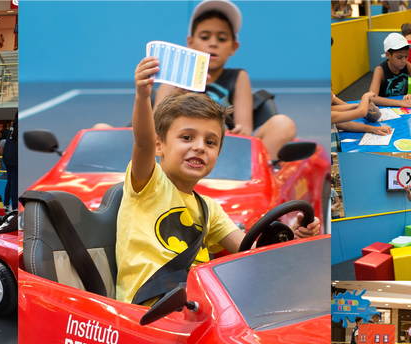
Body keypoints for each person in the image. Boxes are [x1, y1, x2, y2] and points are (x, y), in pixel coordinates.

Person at [117, 56, 320, 304]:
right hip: (146, 311)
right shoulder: (149, 183)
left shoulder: (210, 210)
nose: (200, 147)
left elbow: (254, 254)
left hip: (195, 311)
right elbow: (142, 141)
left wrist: (297, 241)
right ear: (160, 145)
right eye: (187, 137)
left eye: (210, 142)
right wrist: (142, 96)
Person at [155, 0, 301, 158]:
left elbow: (245, 131)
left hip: (226, 152)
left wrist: (239, 131)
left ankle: (259, 179)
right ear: (190, 43)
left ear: (233, 47)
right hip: (181, 151)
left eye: (222, 39)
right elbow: (154, 127)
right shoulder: (173, 78)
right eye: (204, 37)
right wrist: (177, 95)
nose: (212, 43)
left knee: (283, 124)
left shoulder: (238, 77)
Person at [369, 33, 411, 107]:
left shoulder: (407, 65)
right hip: (384, 108)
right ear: (388, 55)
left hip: (401, 108)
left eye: (406, 56)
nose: (404, 61)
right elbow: (372, 98)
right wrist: (401, 103)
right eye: (399, 57)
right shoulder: (380, 70)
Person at [0, 124, 18, 211]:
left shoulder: (12, 128)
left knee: (10, 182)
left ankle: (6, 204)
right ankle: (15, 206)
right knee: (15, 183)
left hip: (8, 158)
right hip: (16, 159)